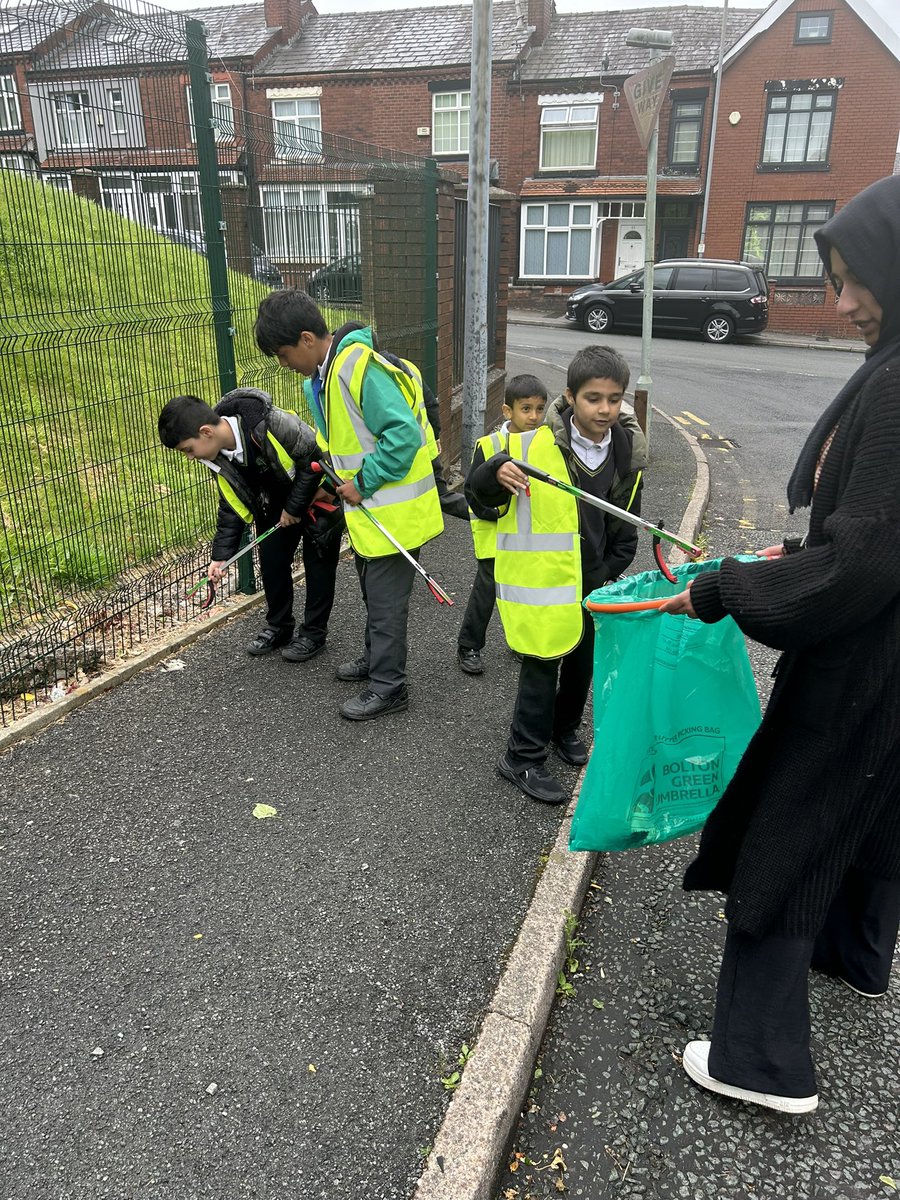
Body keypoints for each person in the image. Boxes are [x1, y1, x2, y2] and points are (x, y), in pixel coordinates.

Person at [659, 174, 900, 1115]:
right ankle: (858, 952)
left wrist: (724, 588)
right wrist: (798, 549)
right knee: (877, 807)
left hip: (868, 661)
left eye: (854, 281)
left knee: (788, 830)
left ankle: (760, 1061)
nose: (841, 305)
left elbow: (864, 564)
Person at [467, 345, 646, 805]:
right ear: (569, 397)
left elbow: (625, 528)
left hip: (595, 583)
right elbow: (479, 498)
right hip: (543, 584)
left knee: (584, 662)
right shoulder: (528, 447)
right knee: (542, 668)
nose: (604, 409)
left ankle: (563, 730)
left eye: (614, 398)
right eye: (593, 398)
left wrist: (607, 572)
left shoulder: (627, 454)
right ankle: (521, 756)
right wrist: (492, 472)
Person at [254, 288, 443, 721]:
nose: (284, 365)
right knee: (373, 595)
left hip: (393, 512)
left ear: (306, 339)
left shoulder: (354, 369)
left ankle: (389, 686)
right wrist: (329, 484)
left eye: (283, 355)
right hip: (368, 515)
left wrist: (362, 482)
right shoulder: (321, 378)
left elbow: (402, 435)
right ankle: (375, 660)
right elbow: (339, 442)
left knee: (385, 602)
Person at [158, 389, 343, 661]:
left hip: (318, 495)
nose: (190, 457)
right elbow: (231, 505)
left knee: (319, 564)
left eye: (188, 449)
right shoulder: (215, 458)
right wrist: (221, 556)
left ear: (206, 432)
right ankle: (280, 627)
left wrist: (294, 508)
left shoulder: (272, 423)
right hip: (274, 508)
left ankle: (313, 634)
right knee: (272, 564)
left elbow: (313, 460)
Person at [456, 374, 548, 676]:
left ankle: (520, 641)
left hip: (529, 535)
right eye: (526, 409)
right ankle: (469, 645)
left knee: (524, 590)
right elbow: (472, 490)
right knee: (486, 591)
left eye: (539, 409)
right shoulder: (489, 444)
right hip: (495, 533)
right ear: (508, 411)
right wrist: (495, 514)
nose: (533, 417)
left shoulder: (546, 443)